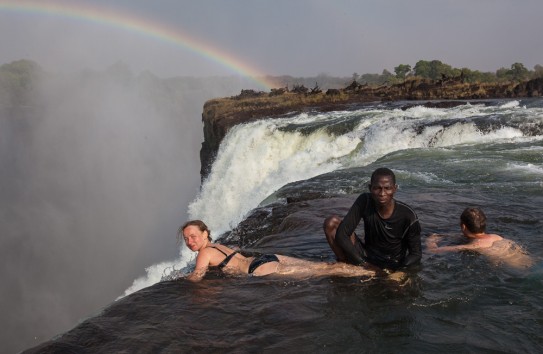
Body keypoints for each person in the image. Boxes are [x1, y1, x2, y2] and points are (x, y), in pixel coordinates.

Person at [179, 219, 376, 282]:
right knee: (323, 266)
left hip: (258, 269)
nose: (190, 241)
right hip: (266, 257)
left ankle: (372, 274)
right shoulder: (217, 245)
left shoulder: (204, 253)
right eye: (186, 239)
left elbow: (197, 277)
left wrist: (179, 280)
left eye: (193, 236)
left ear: (205, 234)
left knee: (319, 273)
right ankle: (367, 269)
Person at [323, 167, 422, 270]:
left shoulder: (408, 215)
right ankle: (345, 263)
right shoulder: (365, 201)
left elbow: (416, 254)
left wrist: (400, 270)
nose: (382, 193)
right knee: (331, 223)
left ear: (394, 189)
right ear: (370, 188)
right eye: (377, 188)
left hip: (391, 263)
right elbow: (342, 233)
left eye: (387, 188)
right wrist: (363, 263)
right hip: (367, 256)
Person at [426, 207, 533, 269]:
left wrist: (430, 239)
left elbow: (434, 250)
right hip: (532, 263)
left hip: (523, 272)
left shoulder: (473, 246)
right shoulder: (496, 236)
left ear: (463, 226)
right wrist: (444, 236)